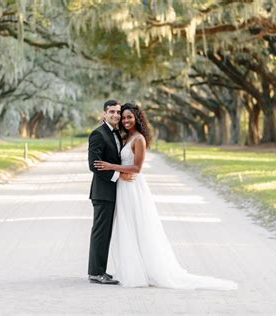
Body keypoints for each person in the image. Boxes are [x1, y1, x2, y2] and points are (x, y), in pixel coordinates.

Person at [94, 103, 238, 290]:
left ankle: (148, 270)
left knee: (138, 226)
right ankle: (133, 269)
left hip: (133, 188)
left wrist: (112, 167)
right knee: (127, 227)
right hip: (123, 187)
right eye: (123, 117)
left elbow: (137, 168)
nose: (126, 120)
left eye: (129, 116)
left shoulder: (139, 139)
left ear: (137, 118)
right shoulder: (124, 137)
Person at [87, 99, 134, 285]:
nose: (115, 115)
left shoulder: (117, 134)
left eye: (118, 112)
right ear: (104, 114)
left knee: (105, 232)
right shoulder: (98, 134)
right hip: (102, 192)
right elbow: (94, 165)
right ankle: (96, 273)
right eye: (111, 112)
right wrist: (118, 176)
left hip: (114, 192)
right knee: (100, 232)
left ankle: (100, 271)